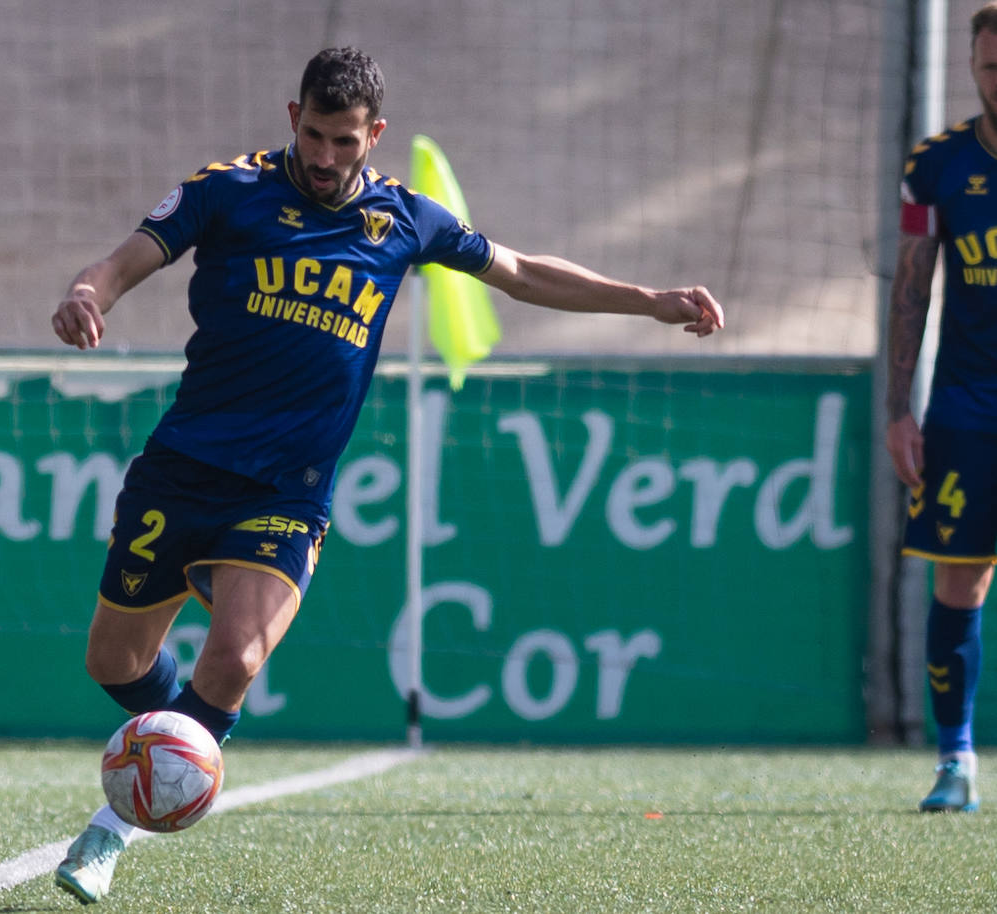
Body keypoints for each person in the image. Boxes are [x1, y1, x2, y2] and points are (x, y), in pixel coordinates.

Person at [50, 47, 725, 904]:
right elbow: (126, 258)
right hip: (183, 469)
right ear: (290, 117)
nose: (327, 159)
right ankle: (165, 724)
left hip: (287, 492)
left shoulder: (407, 220)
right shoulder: (228, 190)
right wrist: (87, 292)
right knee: (113, 663)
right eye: (315, 136)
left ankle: (115, 826)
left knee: (240, 655)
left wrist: (649, 299)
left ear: (375, 135)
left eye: (346, 142)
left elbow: (520, 274)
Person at [885, 3, 997, 814]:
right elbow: (913, 284)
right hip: (966, 407)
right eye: (992, 67)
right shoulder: (935, 166)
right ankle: (955, 761)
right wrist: (900, 405)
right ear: (973, 69)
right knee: (961, 583)